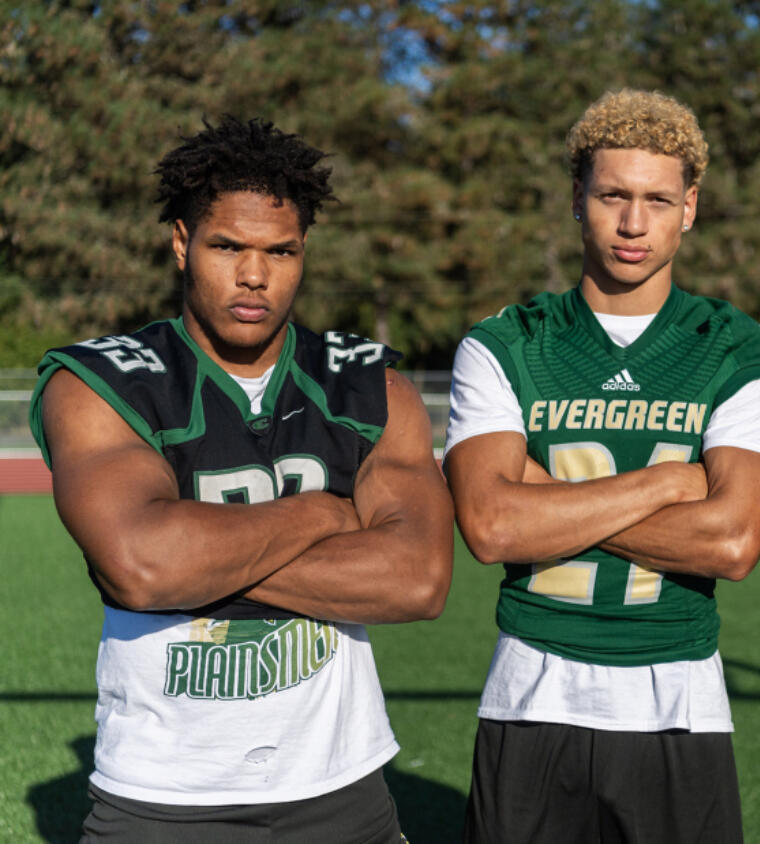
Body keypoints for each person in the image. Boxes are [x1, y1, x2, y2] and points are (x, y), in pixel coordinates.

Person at [28, 116, 453, 842]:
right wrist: (324, 512)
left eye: (279, 251)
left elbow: (415, 580)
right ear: (182, 243)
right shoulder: (99, 381)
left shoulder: (370, 383)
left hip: (343, 792)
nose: (254, 275)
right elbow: (143, 565)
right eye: (228, 246)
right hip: (160, 797)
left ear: (303, 253)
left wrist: (196, 554)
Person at [444, 89, 760, 844]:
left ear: (689, 208)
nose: (634, 223)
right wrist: (668, 483)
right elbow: (493, 527)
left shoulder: (730, 343)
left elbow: (733, 542)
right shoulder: (507, 342)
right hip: (530, 691)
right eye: (613, 196)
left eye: (658, 200)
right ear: (578, 198)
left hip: (678, 697)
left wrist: (546, 495)